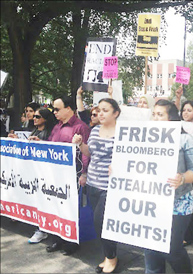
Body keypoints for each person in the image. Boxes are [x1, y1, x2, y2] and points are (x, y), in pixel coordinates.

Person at [144, 99, 193, 273]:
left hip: (179, 202)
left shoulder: (186, 140)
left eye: (160, 115)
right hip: (152, 200)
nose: (155, 118)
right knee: (150, 247)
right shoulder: (145, 138)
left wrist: (183, 178)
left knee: (172, 249)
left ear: (171, 118)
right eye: (153, 114)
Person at [32, 95, 90, 255]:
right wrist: (40, 142)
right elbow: (51, 146)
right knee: (55, 207)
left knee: (70, 210)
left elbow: (86, 154)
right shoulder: (57, 127)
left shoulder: (80, 127)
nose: (54, 112)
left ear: (69, 109)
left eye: (57, 109)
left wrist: (84, 173)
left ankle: (71, 242)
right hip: (54, 176)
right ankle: (57, 239)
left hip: (72, 176)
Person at [72, 98, 120, 273]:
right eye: (99, 110)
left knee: (101, 222)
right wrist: (80, 144)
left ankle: (112, 257)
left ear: (116, 113)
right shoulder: (95, 130)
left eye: (105, 110)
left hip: (110, 186)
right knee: (99, 223)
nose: (100, 113)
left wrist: (118, 166)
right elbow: (89, 153)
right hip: (92, 183)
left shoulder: (123, 132)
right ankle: (108, 255)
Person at [8, 108, 58, 242]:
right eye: (34, 116)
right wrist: (17, 140)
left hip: (44, 173)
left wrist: (41, 144)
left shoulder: (50, 132)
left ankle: (42, 230)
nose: (34, 118)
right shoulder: (35, 130)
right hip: (34, 173)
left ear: (45, 119)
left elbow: (53, 149)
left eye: (37, 116)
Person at [179, 100, 193, 246]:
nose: (185, 113)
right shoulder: (177, 127)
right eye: (184, 110)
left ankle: (188, 234)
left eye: (189, 110)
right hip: (181, 169)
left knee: (191, 198)